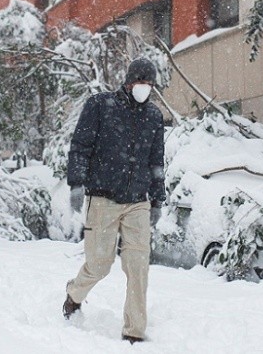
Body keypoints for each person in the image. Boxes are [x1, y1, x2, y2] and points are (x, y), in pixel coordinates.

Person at [62, 57, 166, 344]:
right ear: (129, 82)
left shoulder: (154, 116)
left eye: (149, 84)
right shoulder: (101, 105)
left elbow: (156, 162)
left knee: (138, 266)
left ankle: (134, 331)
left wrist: (157, 200)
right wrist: (76, 183)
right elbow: (80, 146)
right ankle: (74, 294)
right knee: (99, 263)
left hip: (138, 202)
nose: (144, 88)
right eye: (140, 82)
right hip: (103, 198)